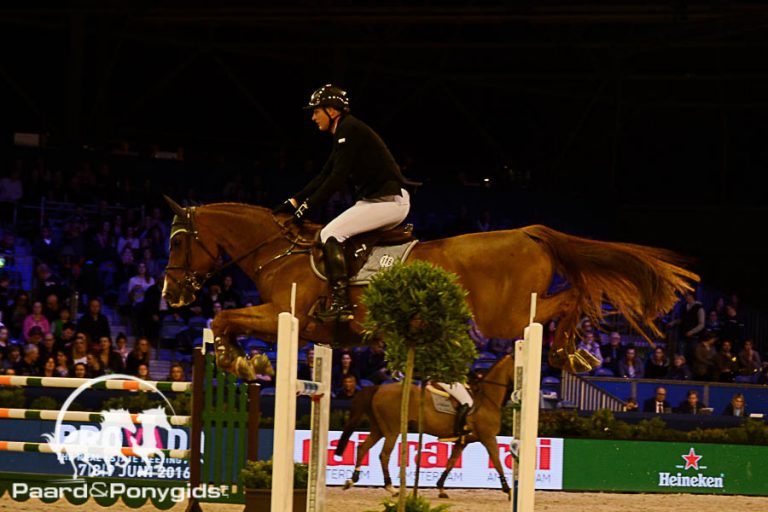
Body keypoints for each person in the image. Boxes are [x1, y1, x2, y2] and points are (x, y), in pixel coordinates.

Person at [273, 84, 412, 322]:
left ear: (332, 111)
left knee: (330, 233)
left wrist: (305, 209)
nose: (313, 117)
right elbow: (324, 175)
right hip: (376, 200)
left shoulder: (350, 129)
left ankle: (341, 300)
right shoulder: (344, 131)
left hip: (389, 202)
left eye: (316, 111)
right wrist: (295, 201)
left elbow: (336, 179)